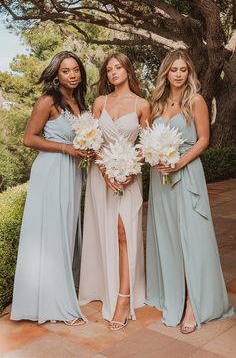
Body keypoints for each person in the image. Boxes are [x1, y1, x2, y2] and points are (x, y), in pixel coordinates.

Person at [146, 50, 234, 333]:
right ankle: (174, 294)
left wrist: (178, 163)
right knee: (169, 238)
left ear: (189, 73)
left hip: (186, 172)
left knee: (191, 239)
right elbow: (147, 137)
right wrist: (154, 156)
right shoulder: (156, 103)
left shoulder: (195, 100)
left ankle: (194, 305)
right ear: (166, 73)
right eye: (174, 69)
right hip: (161, 179)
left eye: (184, 69)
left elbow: (204, 140)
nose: (179, 74)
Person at [11, 51, 91, 325]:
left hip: (72, 173)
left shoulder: (79, 101)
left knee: (66, 231)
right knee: (53, 232)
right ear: (56, 74)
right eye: (66, 70)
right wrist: (65, 148)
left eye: (76, 70)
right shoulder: (49, 101)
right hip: (52, 170)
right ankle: (56, 305)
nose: (72, 74)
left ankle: (59, 291)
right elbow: (28, 138)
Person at [79, 52, 150, 331]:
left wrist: (131, 169)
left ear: (128, 70)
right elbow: (93, 141)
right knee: (106, 231)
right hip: (102, 176)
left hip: (130, 177)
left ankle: (123, 298)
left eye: (118, 67)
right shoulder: (100, 102)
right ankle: (105, 286)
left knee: (125, 231)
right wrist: (106, 172)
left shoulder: (143, 104)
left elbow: (147, 143)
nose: (113, 73)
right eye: (109, 70)